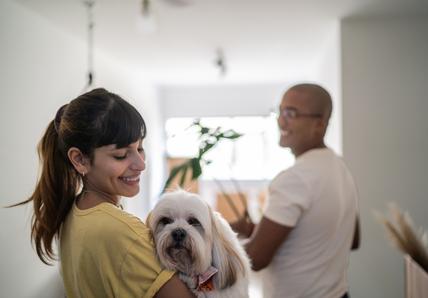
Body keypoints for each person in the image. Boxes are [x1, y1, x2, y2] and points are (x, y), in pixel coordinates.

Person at [11, 88, 194, 298]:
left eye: (140, 148)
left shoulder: (74, 214)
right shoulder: (122, 231)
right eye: (121, 155)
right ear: (80, 160)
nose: (141, 164)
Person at [231, 83, 360, 298]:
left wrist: (219, 240)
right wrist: (253, 229)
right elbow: (350, 239)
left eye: (291, 113)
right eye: (280, 111)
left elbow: (256, 259)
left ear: (319, 123)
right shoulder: (341, 168)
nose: (281, 120)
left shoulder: (295, 179)